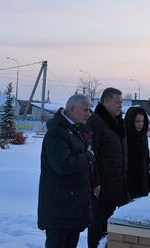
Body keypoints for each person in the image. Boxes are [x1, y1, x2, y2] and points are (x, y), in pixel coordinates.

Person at [37, 94, 95, 248]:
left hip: (73, 206)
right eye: (86, 110)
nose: (89, 114)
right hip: (59, 208)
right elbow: (62, 165)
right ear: (71, 109)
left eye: (90, 110)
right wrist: (88, 156)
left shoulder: (78, 130)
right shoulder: (57, 133)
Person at [86, 88, 129, 248]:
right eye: (117, 102)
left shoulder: (118, 122)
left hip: (116, 185)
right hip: (101, 188)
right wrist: (95, 182)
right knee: (98, 228)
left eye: (121, 102)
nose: (120, 106)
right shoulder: (96, 121)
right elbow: (92, 156)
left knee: (110, 229)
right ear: (105, 102)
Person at [125, 106, 150, 198]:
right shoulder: (125, 137)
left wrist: (147, 179)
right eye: (137, 121)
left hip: (142, 181)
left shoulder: (142, 136)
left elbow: (146, 159)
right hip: (128, 182)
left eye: (142, 121)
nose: (140, 124)